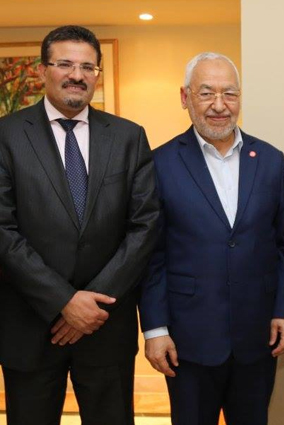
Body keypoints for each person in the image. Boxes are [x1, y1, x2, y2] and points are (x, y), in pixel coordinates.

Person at [0, 25, 159, 425]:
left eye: (88, 67)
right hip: (31, 326)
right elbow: (3, 229)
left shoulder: (128, 137)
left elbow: (144, 226)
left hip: (106, 326)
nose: (77, 75)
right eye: (65, 64)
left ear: (97, 75)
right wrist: (63, 303)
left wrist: (92, 303)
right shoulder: (6, 135)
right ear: (41, 71)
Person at [138, 52, 284, 425]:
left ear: (240, 98)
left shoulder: (271, 160)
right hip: (188, 341)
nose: (219, 106)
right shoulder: (159, 163)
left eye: (230, 93)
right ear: (185, 97)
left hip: (257, 336)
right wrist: (155, 329)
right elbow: (152, 255)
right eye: (206, 93)